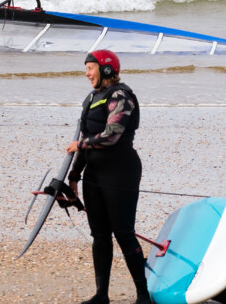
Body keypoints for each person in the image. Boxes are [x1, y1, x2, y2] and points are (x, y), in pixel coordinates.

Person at [66, 50, 150, 304]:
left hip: (120, 171)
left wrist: (80, 147)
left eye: (90, 68)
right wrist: (74, 176)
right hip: (94, 173)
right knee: (100, 235)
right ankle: (101, 295)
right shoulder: (92, 98)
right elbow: (83, 139)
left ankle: (143, 295)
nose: (86, 73)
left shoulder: (120, 96)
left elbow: (112, 134)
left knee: (124, 233)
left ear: (105, 69)